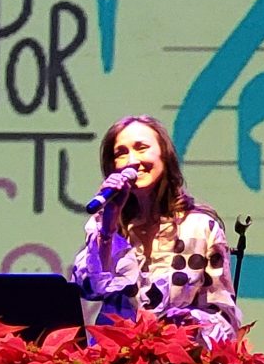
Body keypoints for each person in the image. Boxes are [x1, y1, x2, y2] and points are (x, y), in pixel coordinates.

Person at [71, 115, 242, 346]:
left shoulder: (200, 227)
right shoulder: (107, 226)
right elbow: (88, 287)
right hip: (112, 360)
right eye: (121, 153)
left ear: (164, 155)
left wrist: (184, 328)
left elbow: (223, 315)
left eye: (141, 148)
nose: (132, 161)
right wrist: (108, 226)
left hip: (178, 361)